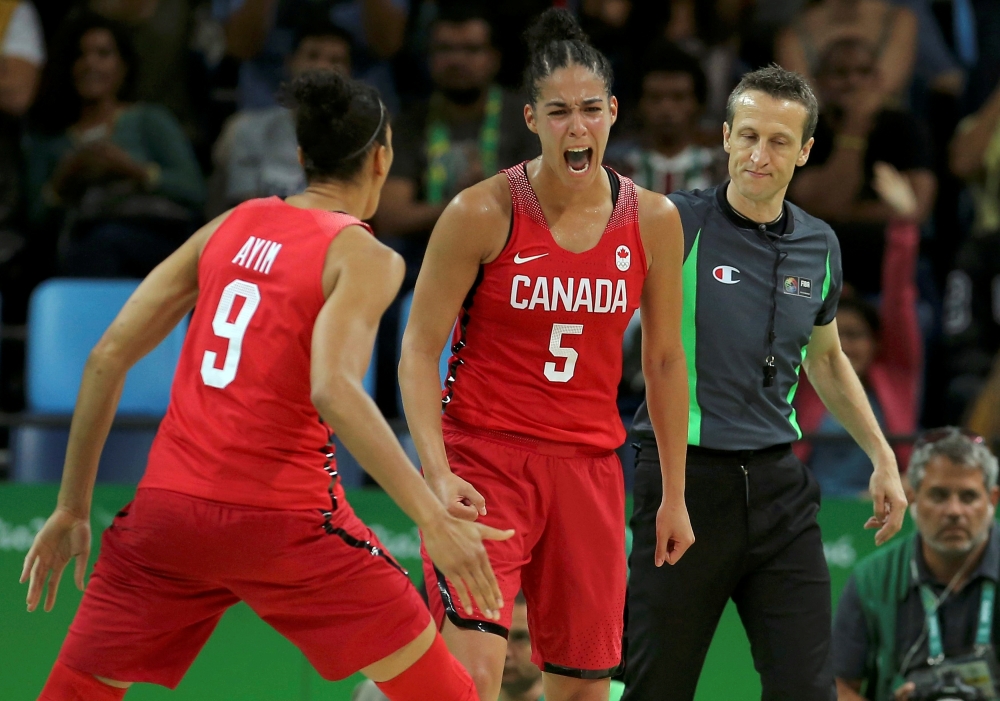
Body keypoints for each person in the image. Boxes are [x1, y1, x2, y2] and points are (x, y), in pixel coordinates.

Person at [19, 70, 510, 701]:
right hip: (287, 521)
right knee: (445, 695)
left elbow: (107, 355)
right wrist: (429, 518)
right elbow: (333, 388)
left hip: (169, 514)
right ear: (383, 157)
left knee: (75, 694)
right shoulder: (366, 256)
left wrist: (70, 508)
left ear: (303, 157)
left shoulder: (231, 223)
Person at [399, 9, 692, 701]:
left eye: (591, 108)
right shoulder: (482, 210)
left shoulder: (654, 218)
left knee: (585, 690)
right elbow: (417, 349)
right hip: (486, 460)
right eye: (559, 111)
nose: (577, 126)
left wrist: (674, 495)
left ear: (615, 112)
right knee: (469, 682)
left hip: (589, 468)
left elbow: (667, 362)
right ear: (530, 117)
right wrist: (435, 475)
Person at [624, 65, 908, 701]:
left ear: (806, 150)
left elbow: (828, 359)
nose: (759, 154)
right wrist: (669, 491)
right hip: (685, 478)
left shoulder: (820, 243)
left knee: (809, 690)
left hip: (780, 486)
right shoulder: (676, 223)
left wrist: (882, 457)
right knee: (655, 686)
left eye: (780, 141)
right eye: (748, 135)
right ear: (725, 137)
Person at [24, 13, 206, 278]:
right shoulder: (51, 140)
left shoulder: (150, 120)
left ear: (124, 66)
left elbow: (194, 190)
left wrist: (133, 171)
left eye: (103, 54)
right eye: (80, 55)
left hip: (153, 240)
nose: (90, 64)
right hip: (76, 245)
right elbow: (34, 219)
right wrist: (63, 183)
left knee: (105, 242)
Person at [375, 3, 539, 286]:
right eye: (445, 50)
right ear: (429, 58)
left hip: (513, 265)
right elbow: (390, 216)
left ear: (494, 58)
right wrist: (464, 204)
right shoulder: (409, 124)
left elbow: (545, 206)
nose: (457, 60)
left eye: (471, 50)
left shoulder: (527, 119)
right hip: (425, 267)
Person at [832, 428, 1000, 701]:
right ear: (912, 497)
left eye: (968, 497)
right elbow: (838, 686)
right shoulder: (873, 578)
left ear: (992, 500)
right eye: (939, 495)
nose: (954, 511)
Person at [794, 163, 923, 496]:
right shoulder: (804, 379)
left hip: (878, 511)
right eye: (837, 336)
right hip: (809, 513)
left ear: (876, 343)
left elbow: (898, 300)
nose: (846, 345)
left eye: (855, 335)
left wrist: (904, 225)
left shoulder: (896, 375)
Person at [788, 37, 935, 295]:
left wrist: (843, 211)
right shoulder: (802, 132)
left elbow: (913, 209)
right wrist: (854, 131)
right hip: (815, 270)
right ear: (818, 83)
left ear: (878, 80)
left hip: (893, 270)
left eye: (863, 72)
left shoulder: (904, 127)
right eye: (840, 73)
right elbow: (825, 201)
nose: (853, 81)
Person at [207, 17, 352, 216]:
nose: (322, 68)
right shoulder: (247, 130)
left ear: (349, 73)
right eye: (312, 56)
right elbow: (245, 213)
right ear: (290, 63)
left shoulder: (359, 141)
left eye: (335, 61)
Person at [605, 40, 726, 196]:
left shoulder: (721, 170)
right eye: (655, 98)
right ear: (638, 105)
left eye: (679, 97)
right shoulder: (614, 170)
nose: (666, 109)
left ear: (699, 104)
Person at [775, 0, 917, 102]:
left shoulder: (898, 20)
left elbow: (882, 91)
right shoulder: (792, 34)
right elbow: (805, 102)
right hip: (821, 134)